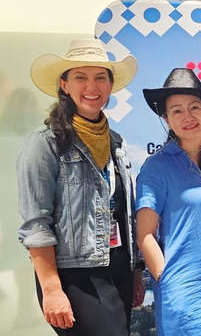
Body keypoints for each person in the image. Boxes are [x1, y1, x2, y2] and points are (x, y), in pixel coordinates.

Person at [17, 38, 144, 335]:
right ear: (64, 85)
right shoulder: (45, 143)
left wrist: (135, 271)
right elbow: (36, 224)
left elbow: (124, 213)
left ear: (111, 86)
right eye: (81, 77)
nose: (92, 86)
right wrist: (51, 290)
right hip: (75, 278)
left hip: (117, 268)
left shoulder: (116, 142)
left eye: (101, 77)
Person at [136, 68, 201, 336]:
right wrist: (167, 279)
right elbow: (145, 235)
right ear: (166, 119)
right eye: (177, 111)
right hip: (184, 290)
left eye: (194, 107)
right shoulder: (157, 166)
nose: (188, 117)